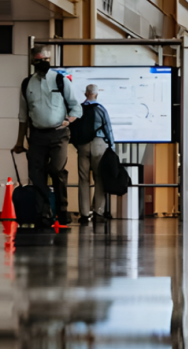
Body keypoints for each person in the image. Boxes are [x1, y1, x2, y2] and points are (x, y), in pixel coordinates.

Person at [13, 45, 82, 226]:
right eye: (38, 60)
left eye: (45, 60)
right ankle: (43, 212)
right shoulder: (27, 84)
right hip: (36, 136)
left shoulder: (60, 80)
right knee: (36, 174)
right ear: (33, 61)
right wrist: (19, 142)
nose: (42, 63)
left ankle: (62, 210)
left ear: (50, 60)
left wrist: (69, 120)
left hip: (59, 134)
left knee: (57, 170)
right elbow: (23, 116)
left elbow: (76, 106)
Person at [77, 84, 115, 226]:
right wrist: (111, 146)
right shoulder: (101, 109)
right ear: (96, 95)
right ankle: (99, 211)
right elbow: (108, 129)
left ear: (86, 93)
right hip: (99, 145)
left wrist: (78, 145)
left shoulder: (79, 108)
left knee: (83, 179)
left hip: (83, 145)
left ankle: (84, 213)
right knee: (99, 178)